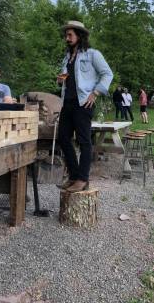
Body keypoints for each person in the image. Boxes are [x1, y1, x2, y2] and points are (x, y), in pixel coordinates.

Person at [57, 20, 113, 193]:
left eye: (70, 35)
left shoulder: (92, 54)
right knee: (63, 138)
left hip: (83, 103)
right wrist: (60, 80)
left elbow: (107, 74)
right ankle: (74, 176)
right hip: (67, 102)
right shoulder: (66, 58)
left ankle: (83, 179)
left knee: (84, 141)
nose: (67, 38)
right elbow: (64, 78)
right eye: (66, 35)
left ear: (79, 36)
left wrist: (95, 93)